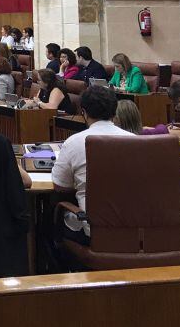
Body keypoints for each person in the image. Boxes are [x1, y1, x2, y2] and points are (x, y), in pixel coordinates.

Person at [51, 86, 134, 243]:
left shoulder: (74, 142)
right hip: (136, 229)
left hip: (94, 231)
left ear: (84, 112)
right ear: (114, 112)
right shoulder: (137, 141)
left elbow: (60, 185)